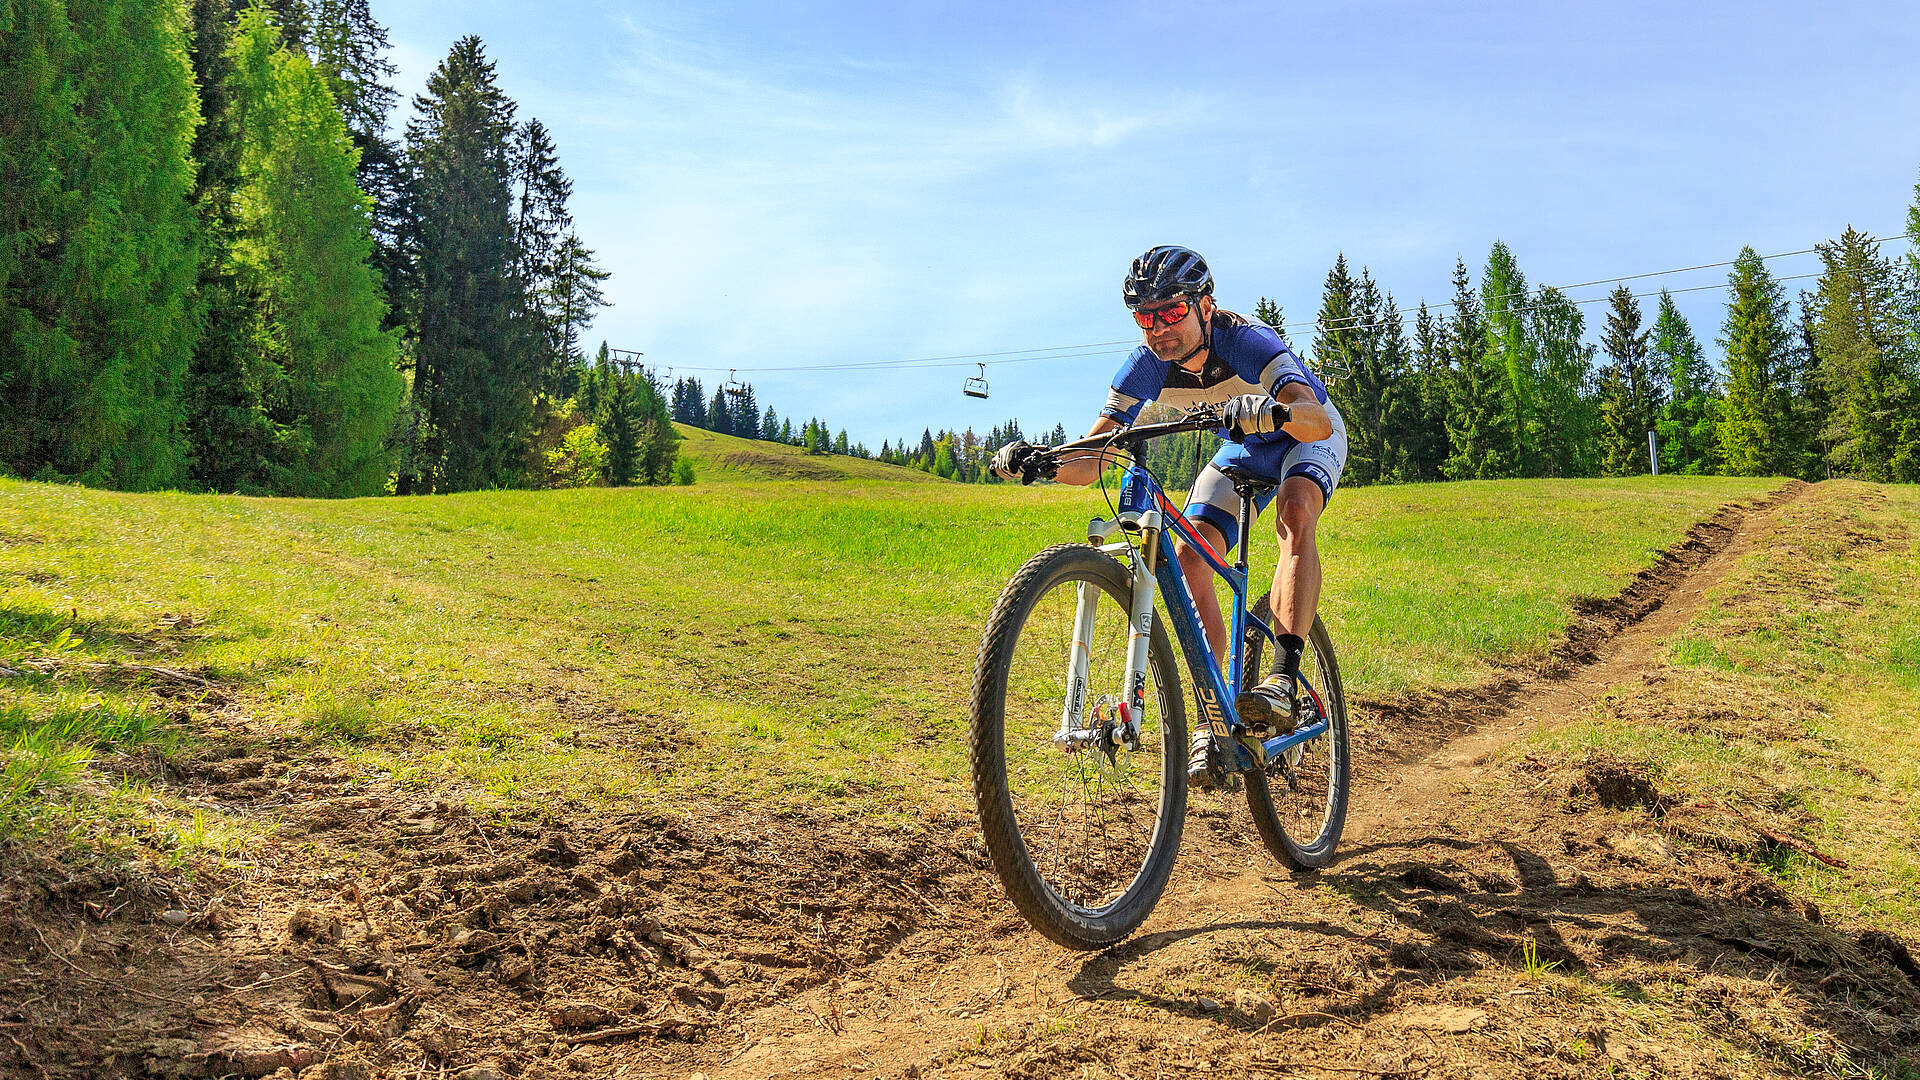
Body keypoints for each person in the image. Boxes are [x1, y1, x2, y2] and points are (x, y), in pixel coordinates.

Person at [991, 245, 1348, 790]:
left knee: (1296, 512)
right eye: (1145, 316)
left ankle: (1281, 677)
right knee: (1189, 556)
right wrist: (1042, 463)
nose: (1157, 327)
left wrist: (1271, 411)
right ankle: (1216, 709)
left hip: (1302, 437)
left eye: (1171, 311)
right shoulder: (1145, 365)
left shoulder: (1247, 341)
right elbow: (1098, 454)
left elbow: (1315, 419)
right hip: (1242, 450)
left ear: (1205, 305)